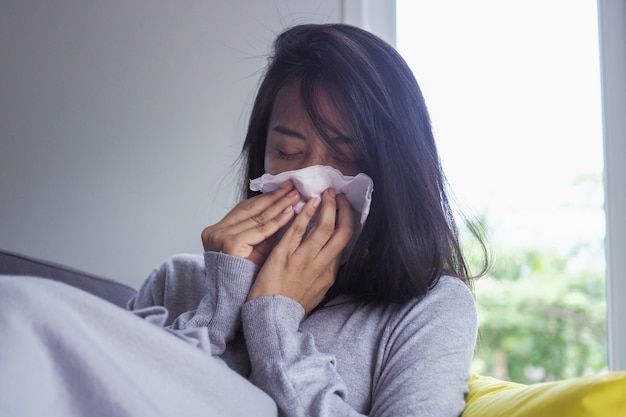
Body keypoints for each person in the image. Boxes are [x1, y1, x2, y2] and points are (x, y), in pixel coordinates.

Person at [0, 23, 487, 417]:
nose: (308, 184)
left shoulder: (428, 310)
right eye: (288, 152)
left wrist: (274, 319)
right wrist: (221, 305)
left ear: (394, 172)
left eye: (345, 158)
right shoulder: (178, 282)